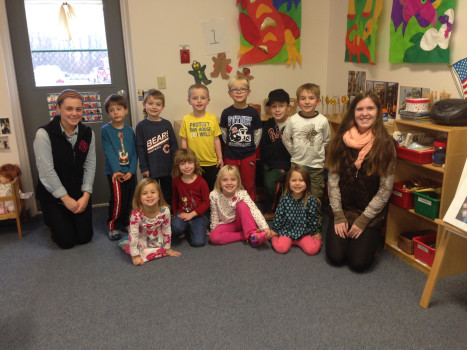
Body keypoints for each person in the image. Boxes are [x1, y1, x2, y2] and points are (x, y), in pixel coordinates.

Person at [325, 91, 396, 272]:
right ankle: (348, 233)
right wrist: (339, 215)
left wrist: (364, 220)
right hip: (343, 208)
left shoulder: (386, 144)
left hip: (369, 213)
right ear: (353, 112)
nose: (365, 113)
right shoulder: (339, 141)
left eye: (370, 108)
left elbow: (385, 189)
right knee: (336, 257)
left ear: (378, 112)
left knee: (358, 264)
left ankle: (366, 240)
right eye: (360, 109)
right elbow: (332, 182)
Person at [33, 89, 96, 249]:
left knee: (84, 238)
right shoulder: (44, 134)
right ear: (58, 109)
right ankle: (52, 220)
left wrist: (86, 195)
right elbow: (46, 172)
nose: (74, 113)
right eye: (69, 109)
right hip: (54, 196)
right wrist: (65, 199)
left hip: (78, 193)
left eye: (78, 109)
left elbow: (90, 165)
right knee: (66, 242)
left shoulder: (88, 133)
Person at [282, 83, 330, 203]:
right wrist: (294, 152)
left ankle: (315, 220)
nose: (307, 102)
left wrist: (317, 150)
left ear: (318, 102)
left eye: (311, 98)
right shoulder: (293, 120)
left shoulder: (323, 121)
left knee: (315, 196)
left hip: (316, 167)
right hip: (297, 164)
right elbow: (286, 138)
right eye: (303, 99)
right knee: (296, 194)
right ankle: (296, 220)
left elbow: (326, 139)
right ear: (297, 103)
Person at [220, 73, 262, 201]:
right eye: (235, 90)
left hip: (248, 155)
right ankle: (231, 209)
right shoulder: (226, 113)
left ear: (248, 92)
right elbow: (224, 133)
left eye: (242, 89)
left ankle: (250, 209)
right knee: (230, 183)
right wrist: (231, 145)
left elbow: (257, 132)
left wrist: (251, 148)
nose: (239, 92)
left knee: (248, 183)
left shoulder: (253, 113)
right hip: (230, 155)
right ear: (229, 93)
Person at [101, 93, 137, 241]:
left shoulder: (130, 131)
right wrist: (117, 170)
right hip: (114, 172)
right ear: (108, 113)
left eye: (119, 108)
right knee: (117, 200)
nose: (115, 112)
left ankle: (125, 222)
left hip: (129, 172)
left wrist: (131, 170)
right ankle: (113, 225)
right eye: (111, 110)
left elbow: (135, 152)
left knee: (129, 198)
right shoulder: (106, 130)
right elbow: (108, 150)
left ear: (126, 110)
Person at [121, 177, 181, 266]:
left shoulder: (165, 211)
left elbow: (166, 230)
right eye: (145, 193)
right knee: (136, 248)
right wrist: (134, 256)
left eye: (153, 192)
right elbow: (134, 235)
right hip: (142, 238)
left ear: (159, 196)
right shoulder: (136, 215)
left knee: (162, 249)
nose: (149, 196)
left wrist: (168, 248)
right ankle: (126, 244)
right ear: (139, 198)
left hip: (156, 237)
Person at [209, 165, 272, 247]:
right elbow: (214, 215)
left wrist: (264, 227)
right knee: (213, 237)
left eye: (233, 179)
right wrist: (214, 230)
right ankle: (246, 235)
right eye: (225, 180)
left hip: (243, 221)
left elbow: (254, 210)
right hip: (227, 224)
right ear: (219, 182)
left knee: (242, 205)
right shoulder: (214, 195)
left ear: (238, 182)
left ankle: (252, 233)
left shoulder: (242, 194)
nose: (229, 183)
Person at [135, 89, 178, 205]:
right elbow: (140, 149)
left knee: (167, 193)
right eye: (151, 103)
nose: (154, 107)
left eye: (158, 104)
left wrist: (176, 164)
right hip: (151, 169)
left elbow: (174, 145)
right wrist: (144, 168)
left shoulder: (167, 124)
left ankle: (168, 214)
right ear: (144, 105)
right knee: (151, 193)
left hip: (167, 167)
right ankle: (153, 215)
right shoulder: (141, 126)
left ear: (163, 107)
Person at [270, 164, 322, 255]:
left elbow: (313, 218)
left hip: (303, 234)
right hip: (286, 232)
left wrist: (314, 233)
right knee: (281, 248)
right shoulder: (284, 199)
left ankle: (315, 240)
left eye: (301, 180)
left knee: (312, 250)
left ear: (307, 183)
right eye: (294, 180)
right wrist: (275, 231)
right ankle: (273, 238)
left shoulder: (310, 200)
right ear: (288, 182)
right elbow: (279, 216)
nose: (297, 183)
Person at [179, 84, 223, 191]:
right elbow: (184, 140)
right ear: (189, 100)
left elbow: (216, 139)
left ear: (208, 100)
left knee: (212, 189)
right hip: (194, 163)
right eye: (195, 98)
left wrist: (220, 157)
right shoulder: (186, 119)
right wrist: (186, 160)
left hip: (211, 162)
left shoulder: (212, 118)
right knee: (196, 189)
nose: (199, 101)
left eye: (203, 98)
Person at [260, 89, 292, 220]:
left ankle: (287, 211)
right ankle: (271, 210)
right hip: (273, 164)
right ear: (269, 109)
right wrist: (265, 166)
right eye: (273, 106)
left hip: (291, 164)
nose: (277, 110)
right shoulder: (268, 125)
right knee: (269, 182)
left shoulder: (294, 123)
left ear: (288, 108)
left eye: (281, 106)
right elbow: (263, 147)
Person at [171, 148, 210, 247]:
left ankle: (195, 227)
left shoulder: (201, 182)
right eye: (182, 163)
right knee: (175, 229)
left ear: (195, 164)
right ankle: (188, 226)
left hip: (198, 214)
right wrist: (176, 214)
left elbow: (206, 203)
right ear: (178, 166)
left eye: (190, 162)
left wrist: (192, 215)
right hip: (182, 212)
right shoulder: (176, 181)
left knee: (198, 242)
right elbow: (174, 199)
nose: (187, 166)